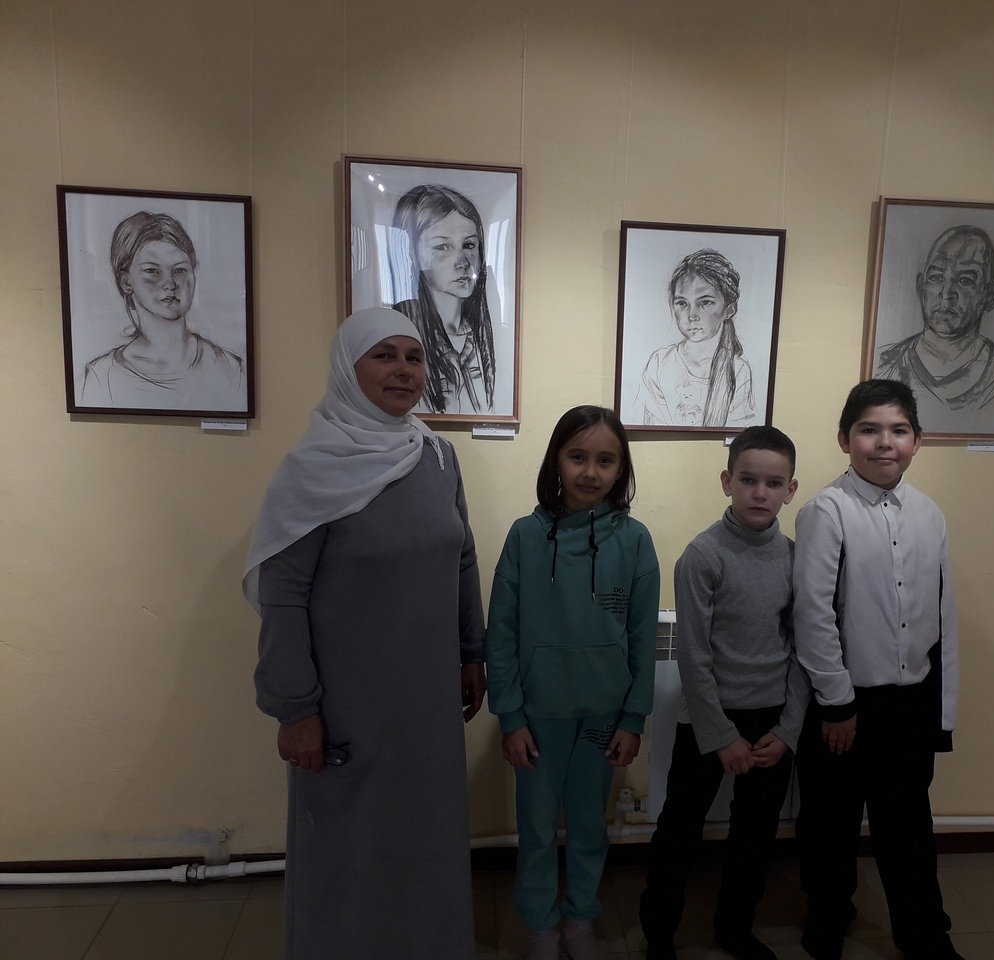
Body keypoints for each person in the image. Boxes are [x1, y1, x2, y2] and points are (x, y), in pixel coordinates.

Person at [244, 307, 487, 960]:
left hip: (426, 709)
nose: (404, 370)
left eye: (414, 357)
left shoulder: (437, 457)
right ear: (347, 371)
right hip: (347, 709)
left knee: (426, 843)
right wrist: (294, 709)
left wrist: (472, 652)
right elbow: (283, 596)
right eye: (384, 355)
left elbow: (462, 556)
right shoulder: (310, 469)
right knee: (348, 853)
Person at [792, 380, 962, 960]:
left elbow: (942, 615)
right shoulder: (826, 511)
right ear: (845, 439)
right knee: (830, 822)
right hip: (844, 703)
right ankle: (828, 916)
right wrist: (837, 703)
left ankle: (924, 933)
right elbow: (814, 614)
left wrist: (941, 712)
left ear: (917, 441)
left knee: (908, 824)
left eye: (898, 430)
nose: (884, 442)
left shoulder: (930, 514)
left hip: (909, 703)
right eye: (869, 429)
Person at [486, 405, 660, 960]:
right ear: (556, 461)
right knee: (537, 829)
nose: (590, 472)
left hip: (603, 717)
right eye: (577, 456)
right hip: (538, 717)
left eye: (605, 460)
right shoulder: (525, 536)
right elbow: (501, 632)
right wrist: (510, 717)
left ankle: (581, 919)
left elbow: (643, 639)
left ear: (621, 468)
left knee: (588, 826)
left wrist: (632, 718)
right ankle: (541, 927)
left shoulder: (635, 541)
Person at [639, 426, 809, 960]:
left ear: (790, 490)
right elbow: (693, 655)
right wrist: (719, 736)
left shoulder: (797, 558)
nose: (760, 492)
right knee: (680, 829)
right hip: (708, 721)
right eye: (748, 480)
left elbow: (804, 650)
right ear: (726, 481)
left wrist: (788, 730)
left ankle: (735, 928)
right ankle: (659, 932)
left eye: (773, 483)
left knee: (755, 834)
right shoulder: (702, 556)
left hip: (772, 723)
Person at [81, 210, 244, 410]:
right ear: (125, 281)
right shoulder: (102, 376)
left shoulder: (229, 367)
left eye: (180, 270)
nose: (170, 284)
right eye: (152, 271)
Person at [874, 225, 994, 434]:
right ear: (920, 286)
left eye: (965, 280)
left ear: (991, 296)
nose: (947, 293)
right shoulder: (885, 364)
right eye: (936, 278)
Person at [391, 184, 496, 415]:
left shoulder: (479, 336)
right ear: (412, 253)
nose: (463, 262)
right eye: (442, 247)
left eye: (469, 245)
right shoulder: (400, 335)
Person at [636, 249, 757, 427]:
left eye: (705, 302)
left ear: (729, 309)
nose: (692, 315)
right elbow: (652, 426)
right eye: (682, 303)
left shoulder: (738, 369)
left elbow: (739, 431)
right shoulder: (660, 362)